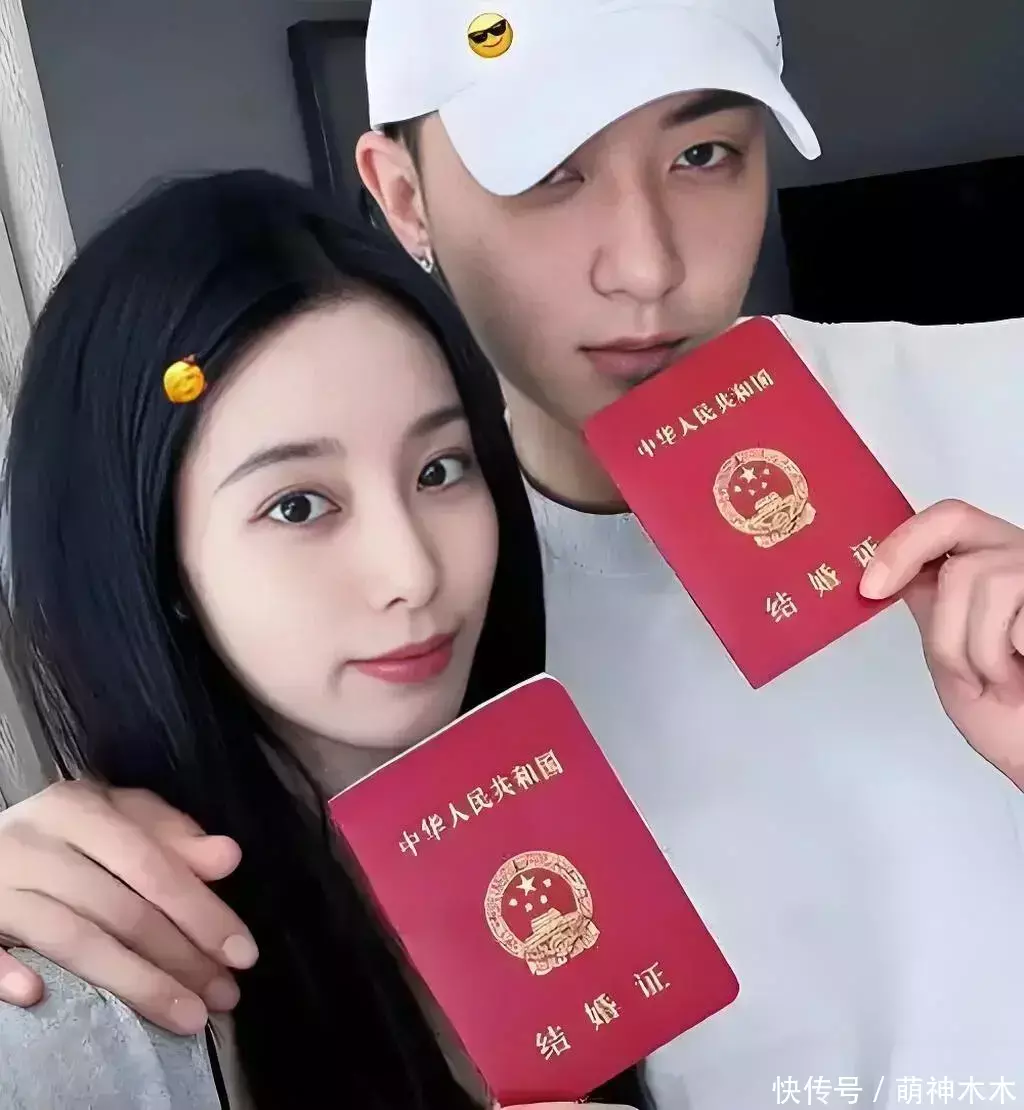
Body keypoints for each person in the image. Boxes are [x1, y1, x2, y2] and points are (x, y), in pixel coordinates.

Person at [2, 0, 1024, 1106]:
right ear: (404, 197)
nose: (647, 267)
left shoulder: (1000, 396)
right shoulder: (418, 681)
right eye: (548, 170)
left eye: (702, 154)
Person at [0, 169, 643, 1110]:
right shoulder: (95, 990)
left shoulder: (587, 810)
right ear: (151, 556)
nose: (413, 571)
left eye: (440, 470)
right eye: (299, 505)